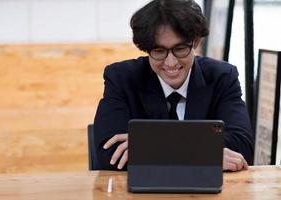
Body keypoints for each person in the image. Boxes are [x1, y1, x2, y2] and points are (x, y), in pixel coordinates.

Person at [93, 0, 254, 172]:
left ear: (196, 42)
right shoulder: (121, 78)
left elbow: (242, 148)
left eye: (180, 49)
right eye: (159, 51)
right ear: (146, 49)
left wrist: (148, 146)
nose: (171, 62)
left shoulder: (222, 77)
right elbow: (109, 155)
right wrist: (204, 154)